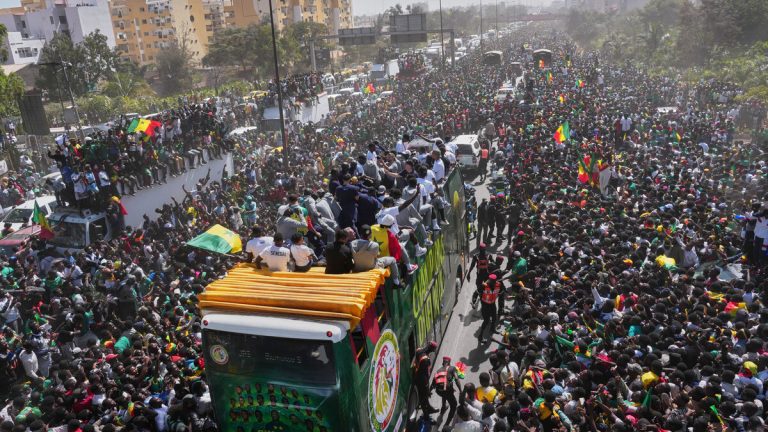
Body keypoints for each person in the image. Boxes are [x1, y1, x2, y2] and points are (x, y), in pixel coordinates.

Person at [432, 356, 461, 427]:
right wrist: (460, 390)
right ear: (449, 363)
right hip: (447, 391)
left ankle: (443, 408)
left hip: (439, 391)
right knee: (453, 405)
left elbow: (433, 384)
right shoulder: (452, 368)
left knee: (444, 393)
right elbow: (456, 379)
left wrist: (429, 392)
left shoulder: (438, 370)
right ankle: (447, 424)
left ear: (443, 363)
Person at [412, 340, 438, 415]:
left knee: (424, 396)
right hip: (421, 381)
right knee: (423, 397)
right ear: (432, 349)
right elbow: (424, 376)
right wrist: (427, 387)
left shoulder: (419, 350)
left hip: (417, 376)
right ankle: (426, 414)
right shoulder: (425, 360)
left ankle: (429, 407)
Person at [477, 274, 500, 344]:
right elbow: (477, 292)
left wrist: (501, 293)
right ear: (489, 280)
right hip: (485, 305)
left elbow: (502, 291)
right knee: (486, 321)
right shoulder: (484, 286)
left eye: (494, 281)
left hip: (492, 304)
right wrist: (475, 300)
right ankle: (480, 336)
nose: (492, 283)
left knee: (494, 317)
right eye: (491, 281)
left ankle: (492, 329)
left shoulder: (498, 285)